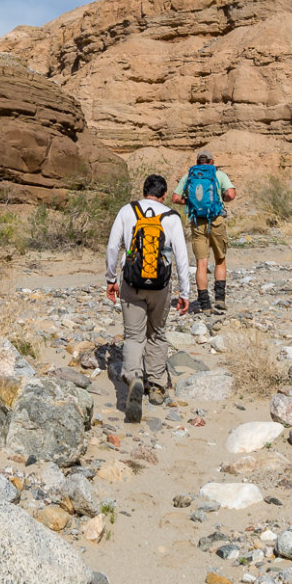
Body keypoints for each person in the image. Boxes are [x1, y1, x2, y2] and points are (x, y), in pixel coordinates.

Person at [105, 174, 190, 423]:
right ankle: (156, 387)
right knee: (157, 333)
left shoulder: (127, 211)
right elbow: (182, 257)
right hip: (161, 286)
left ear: (144, 192)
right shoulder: (172, 217)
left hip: (132, 283)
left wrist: (111, 279)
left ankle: (133, 378)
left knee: (133, 335)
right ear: (164, 195)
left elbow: (113, 247)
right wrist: (184, 293)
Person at [172, 150, 236, 313]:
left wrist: (191, 203)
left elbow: (175, 198)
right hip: (216, 220)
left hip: (197, 222)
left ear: (197, 161)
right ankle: (220, 298)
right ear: (211, 161)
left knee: (201, 263)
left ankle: (205, 303)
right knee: (220, 259)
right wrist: (222, 199)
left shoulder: (190, 177)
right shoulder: (218, 175)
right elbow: (231, 194)